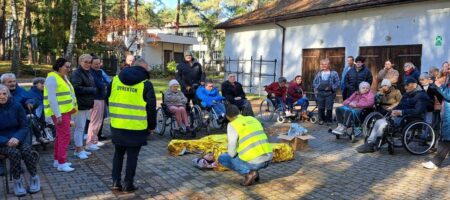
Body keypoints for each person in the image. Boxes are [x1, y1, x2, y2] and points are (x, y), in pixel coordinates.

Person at [108, 58, 156, 192]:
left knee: (118, 154)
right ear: (144, 68)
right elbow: (151, 109)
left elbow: (108, 98)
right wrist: (152, 126)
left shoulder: (115, 80)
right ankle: (128, 184)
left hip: (117, 124)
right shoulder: (146, 84)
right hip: (137, 127)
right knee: (132, 157)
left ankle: (115, 182)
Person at [356, 77, 430, 153]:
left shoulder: (421, 96)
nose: (405, 87)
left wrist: (401, 112)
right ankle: (370, 142)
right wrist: (394, 110)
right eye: (404, 85)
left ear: (414, 85)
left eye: (407, 85)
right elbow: (400, 105)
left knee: (383, 124)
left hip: (410, 118)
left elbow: (418, 111)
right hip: (401, 116)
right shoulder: (407, 94)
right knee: (379, 122)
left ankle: (375, 144)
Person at [0, 84, 41, 197]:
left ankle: (34, 177)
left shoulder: (16, 106)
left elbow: (24, 126)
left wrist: (17, 138)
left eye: (4, 93)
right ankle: (17, 182)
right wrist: (6, 141)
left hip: (18, 138)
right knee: (14, 153)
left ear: (8, 95)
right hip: (2, 141)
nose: (2, 96)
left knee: (27, 150)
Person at [218, 105, 272, 186]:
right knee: (245, 154)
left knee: (223, 158)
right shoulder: (252, 119)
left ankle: (249, 173)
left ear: (227, 117)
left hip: (256, 162)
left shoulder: (232, 124)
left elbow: (232, 152)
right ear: (239, 113)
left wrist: (230, 152)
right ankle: (254, 171)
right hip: (268, 158)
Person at [45, 58, 78, 172]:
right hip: (60, 113)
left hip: (65, 111)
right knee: (65, 136)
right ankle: (61, 163)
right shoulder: (52, 78)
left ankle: (57, 160)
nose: (69, 69)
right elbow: (52, 98)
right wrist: (58, 114)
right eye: (66, 67)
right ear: (59, 66)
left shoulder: (62, 77)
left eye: (70, 67)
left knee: (60, 136)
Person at [70, 54, 96, 159]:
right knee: (79, 128)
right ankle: (79, 150)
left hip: (86, 104)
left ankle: (79, 149)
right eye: (86, 62)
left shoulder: (88, 72)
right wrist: (92, 90)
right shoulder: (77, 73)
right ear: (80, 61)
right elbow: (76, 88)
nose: (88, 64)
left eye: (90, 62)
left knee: (81, 128)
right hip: (79, 104)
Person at [422, 72, 450, 169]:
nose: (447, 70)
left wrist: (440, 86)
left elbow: (449, 95)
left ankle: (435, 162)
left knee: (446, 140)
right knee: (445, 139)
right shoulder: (448, 79)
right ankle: (435, 162)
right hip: (446, 112)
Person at [85, 56, 107, 151]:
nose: (98, 65)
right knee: (94, 122)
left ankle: (94, 140)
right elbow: (99, 84)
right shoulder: (91, 72)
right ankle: (90, 142)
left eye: (99, 63)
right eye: (96, 64)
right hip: (95, 99)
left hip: (101, 98)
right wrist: (103, 85)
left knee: (99, 121)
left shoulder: (99, 72)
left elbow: (105, 83)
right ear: (91, 64)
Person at [313, 58, 340, 125]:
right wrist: (318, 87)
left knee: (329, 107)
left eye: (325, 64)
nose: (324, 65)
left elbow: (338, 82)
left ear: (329, 65)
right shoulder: (319, 73)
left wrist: (331, 87)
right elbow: (314, 82)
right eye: (322, 64)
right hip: (320, 93)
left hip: (330, 93)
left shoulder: (334, 73)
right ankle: (321, 119)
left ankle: (329, 120)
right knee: (320, 107)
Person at [27, 77, 50, 145]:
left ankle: (48, 134)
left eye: (44, 83)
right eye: (42, 83)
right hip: (36, 114)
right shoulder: (32, 93)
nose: (43, 85)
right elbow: (37, 106)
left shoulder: (42, 92)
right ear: (35, 84)